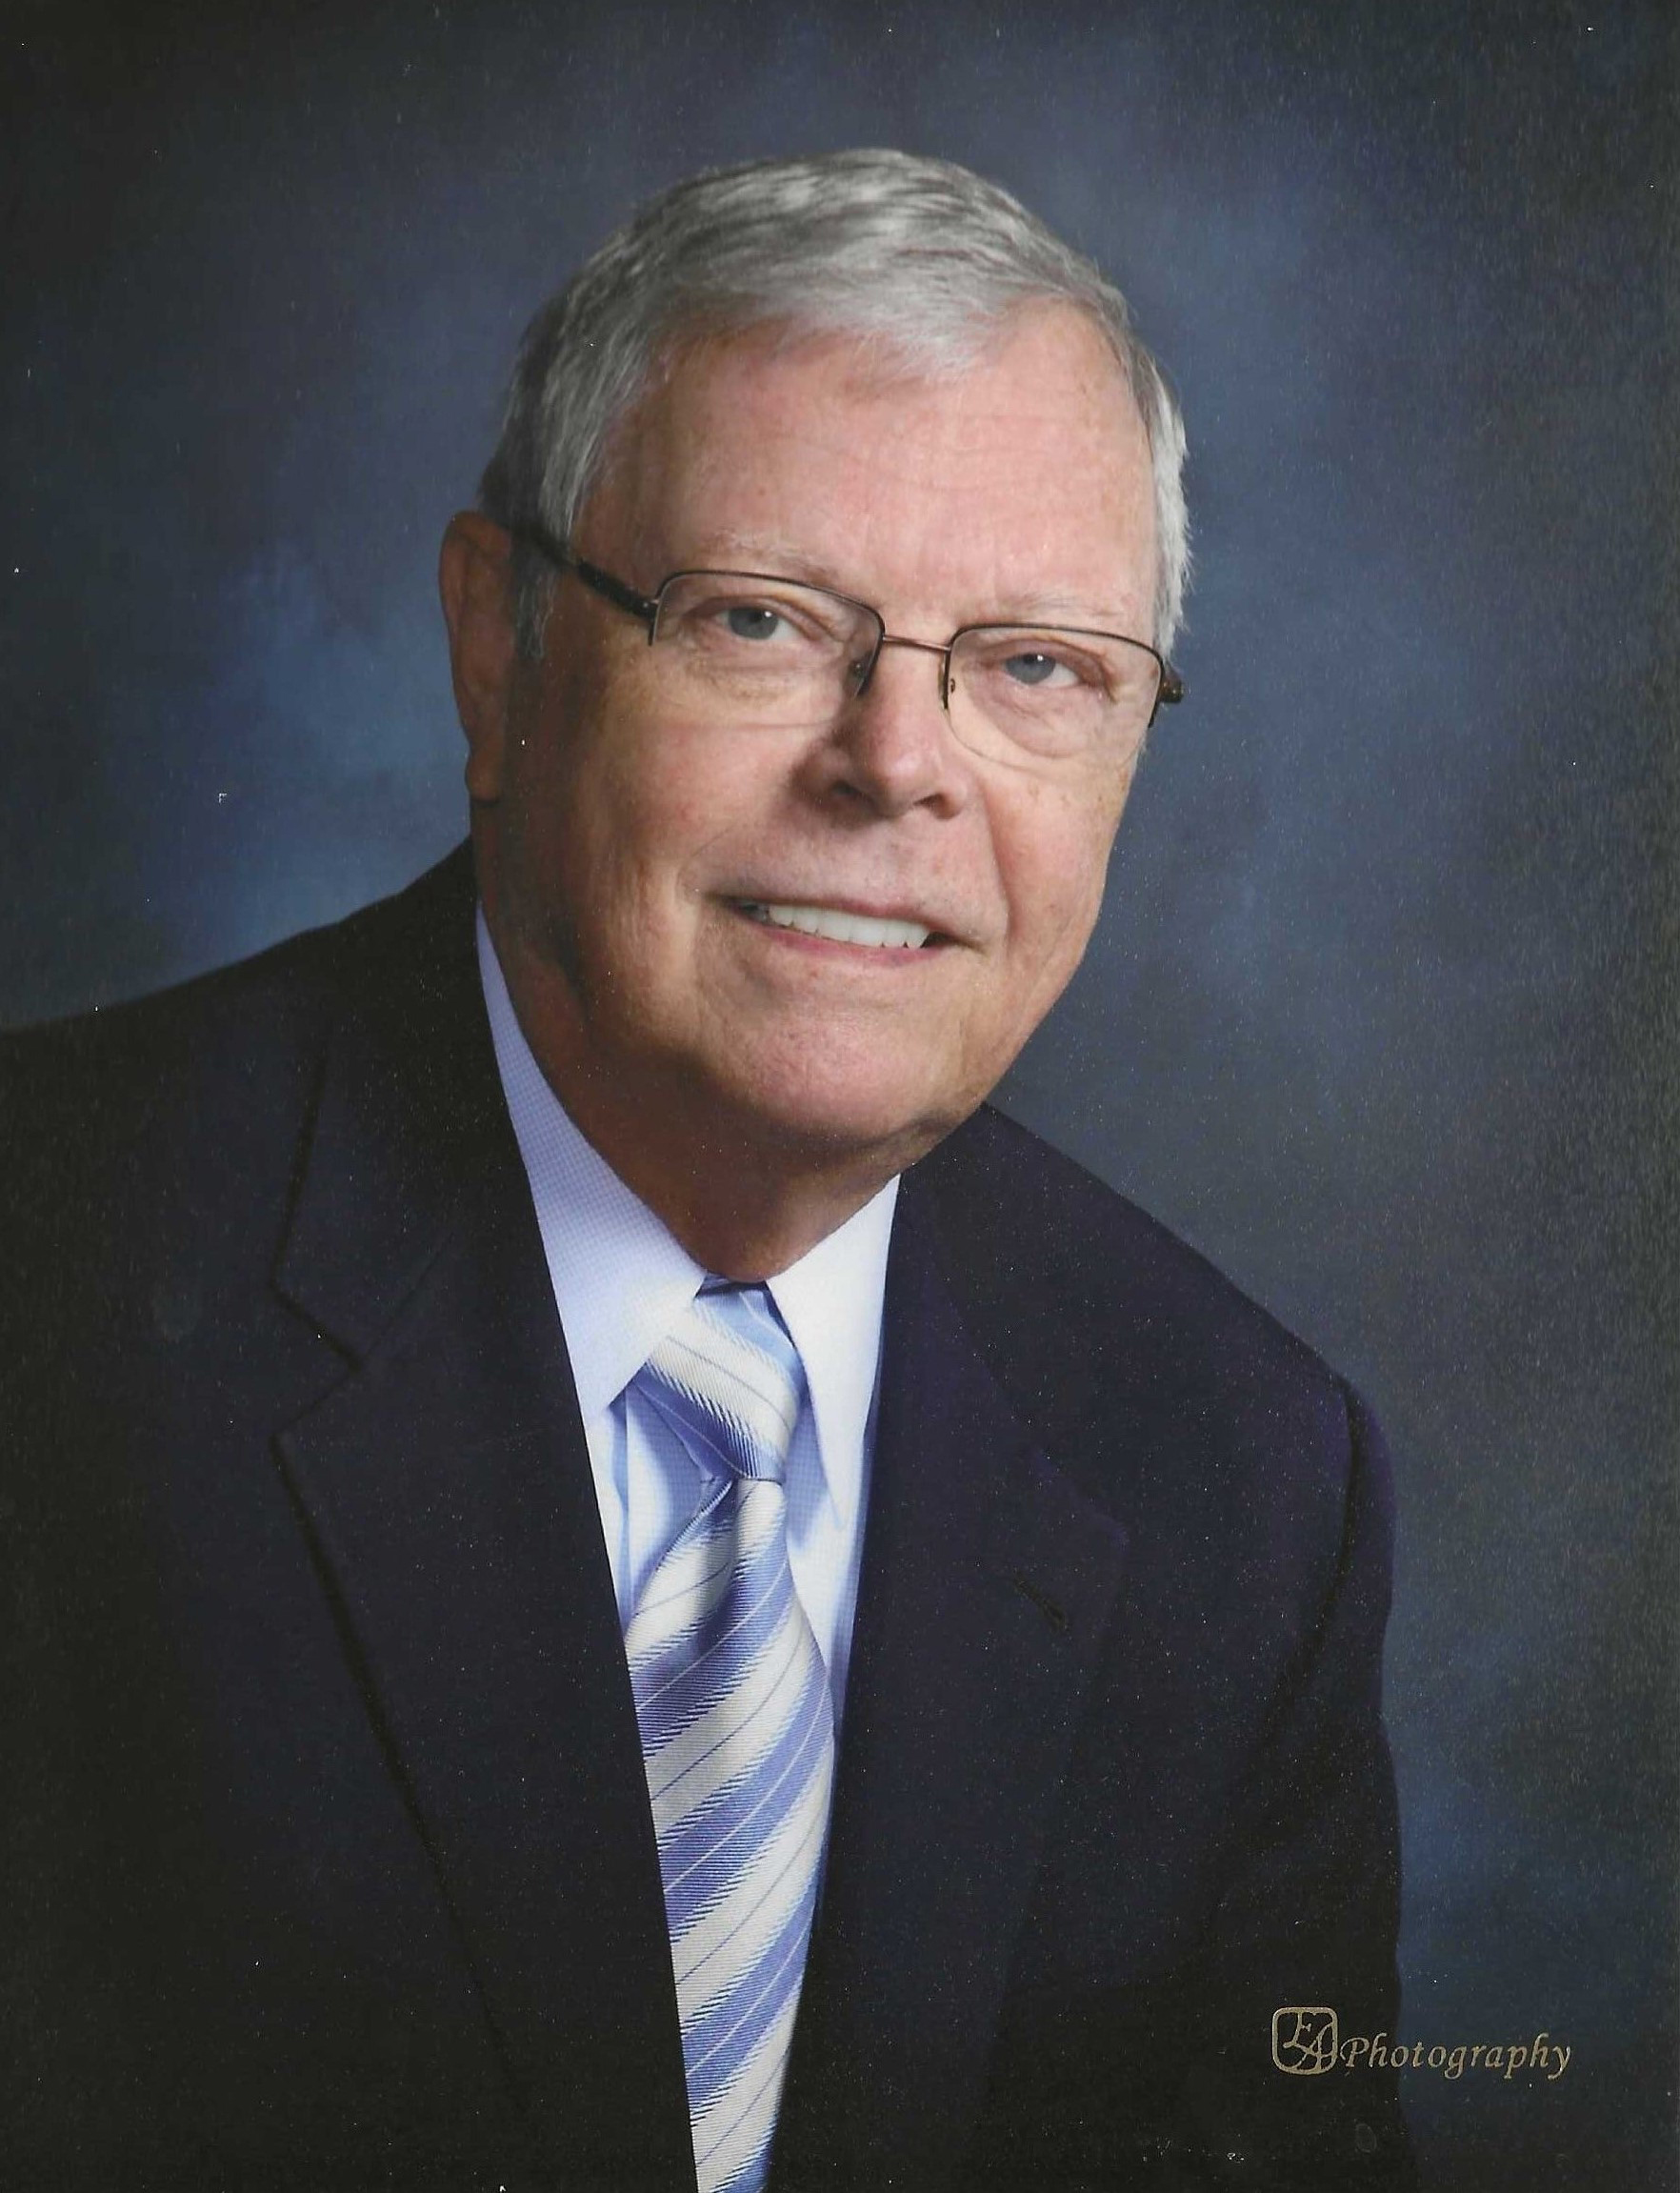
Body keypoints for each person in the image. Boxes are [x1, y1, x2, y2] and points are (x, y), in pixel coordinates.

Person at [0, 151, 1411, 2191]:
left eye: (1035, 665)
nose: (897, 761)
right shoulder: (51, 1285)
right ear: (501, 654)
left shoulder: (1247, 1478)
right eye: (762, 619)